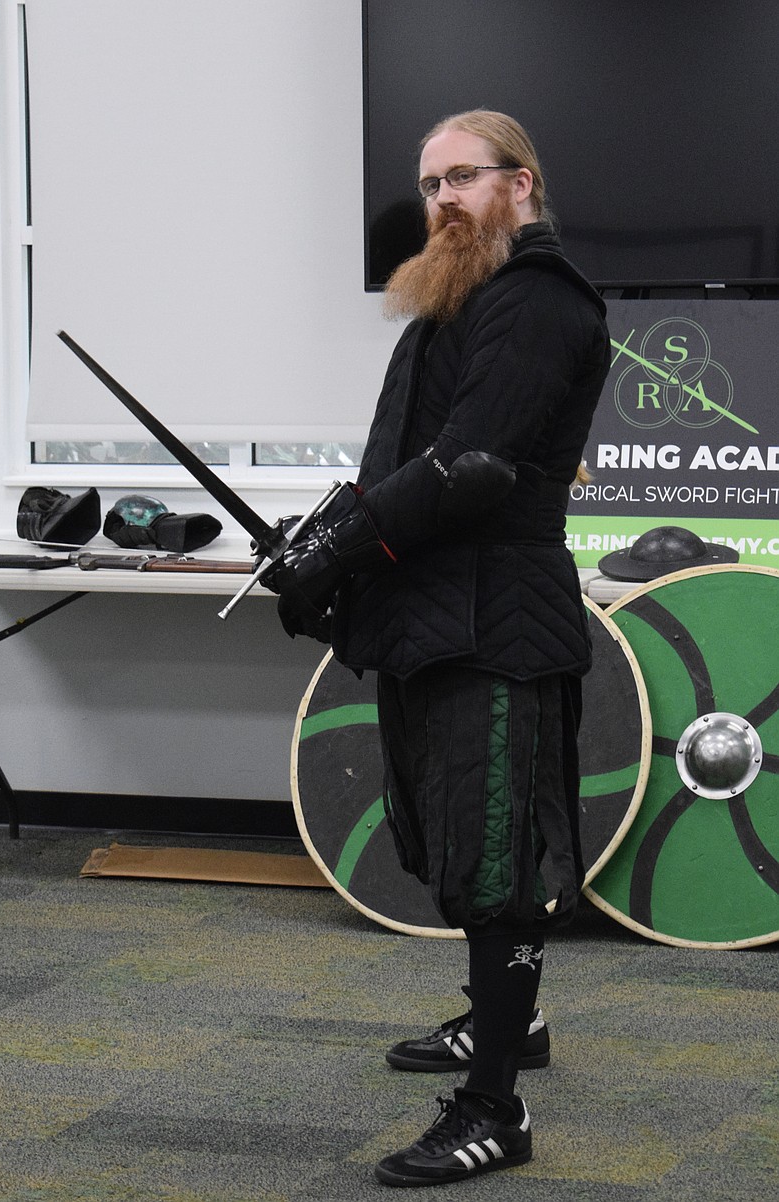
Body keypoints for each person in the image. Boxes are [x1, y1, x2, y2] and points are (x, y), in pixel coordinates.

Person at [261, 110, 611, 1187]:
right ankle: (511, 1018)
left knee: (496, 860)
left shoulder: (540, 302)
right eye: (428, 184)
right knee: (456, 840)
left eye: (462, 176)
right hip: (436, 617)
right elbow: (400, 467)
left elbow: (468, 468)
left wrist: (333, 548)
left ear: (521, 182)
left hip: (497, 622)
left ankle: (492, 1107)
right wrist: (329, 555)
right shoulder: (462, 299)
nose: (441, 200)